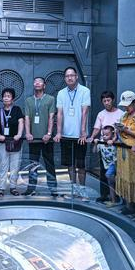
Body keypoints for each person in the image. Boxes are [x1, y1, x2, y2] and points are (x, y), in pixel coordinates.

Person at [54, 66, 91, 197]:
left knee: (81, 165)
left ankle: (83, 191)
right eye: (67, 76)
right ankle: (74, 190)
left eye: (72, 75)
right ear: (65, 78)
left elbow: (84, 112)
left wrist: (83, 132)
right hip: (66, 135)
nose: (69, 78)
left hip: (80, 136)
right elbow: (59, 113)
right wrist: (59, 132)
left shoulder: (85, 91)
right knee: (70, 165)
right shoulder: (61, 93)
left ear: (76, 77)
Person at [115, 91, 135, 213]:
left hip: (134, 151)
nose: (125, 107)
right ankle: (128, 205)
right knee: (124, 177)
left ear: (134, 102)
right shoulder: (124, 115)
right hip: (123, 151)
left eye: (127, 105)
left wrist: (127, 130)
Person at [24, 77, 57, 196]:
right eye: (35, 81)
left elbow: (51, 117)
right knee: (33, 165)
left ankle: (53, 189)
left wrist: (49, 134)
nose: (37, 83)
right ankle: (31, 188)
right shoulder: (28, 100)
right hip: (33, 139)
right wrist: (28, 133)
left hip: (47, 139)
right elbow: (27, 118)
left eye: (40, 81)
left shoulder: (50, 99)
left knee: (49, 164)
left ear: (44, 85)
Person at [90, 91, 123, 203]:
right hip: (104, 146)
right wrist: (92, 137)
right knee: (103, 170)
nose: (106, 103)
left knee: (116, 172)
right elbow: (97, 128)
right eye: (104, 101)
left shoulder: (120, 113)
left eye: (108, 100)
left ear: (113, 100)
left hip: (116, 146)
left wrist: (114, 140)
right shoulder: (101, 114)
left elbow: (121, 130)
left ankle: (117, 195)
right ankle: (104, 194)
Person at [0, 88, 24, 197]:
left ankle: (13, 187)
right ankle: (1, 188)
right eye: (4, 96)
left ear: (12, 99)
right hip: (3, 142)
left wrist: (19, 134)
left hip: (15, 142)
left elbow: (21, 122)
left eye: (8, 96)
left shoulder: (17, 109)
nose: (6, 98)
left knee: (15, 166)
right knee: (3, 165)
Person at [95, 126, 118, 206]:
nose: (104, 137)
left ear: (112, 134)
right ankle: (113, 200)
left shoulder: (115, 143)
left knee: (108, 175)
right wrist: (96, 143)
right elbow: (94, 151)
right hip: (106, 165)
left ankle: (118, 184)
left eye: (107, 135)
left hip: (114, 164)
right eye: (103, 135)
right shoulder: (101, 143)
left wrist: (113, 140)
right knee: (110, 184)